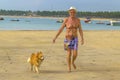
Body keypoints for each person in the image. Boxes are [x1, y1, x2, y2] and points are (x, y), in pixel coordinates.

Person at [53, 6, 84, 72]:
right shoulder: (66, 20)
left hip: (75, 38)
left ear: (75, 13)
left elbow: (80, 30)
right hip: (67, 39)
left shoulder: (78, 20)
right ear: (69, 12)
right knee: (69, 53)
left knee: (75, 54)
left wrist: (82, 38)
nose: (72, 13)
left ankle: (73, 62)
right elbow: (61, 29)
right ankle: (69, 67)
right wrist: (55, 37)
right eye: (71, 12)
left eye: (73, 12)